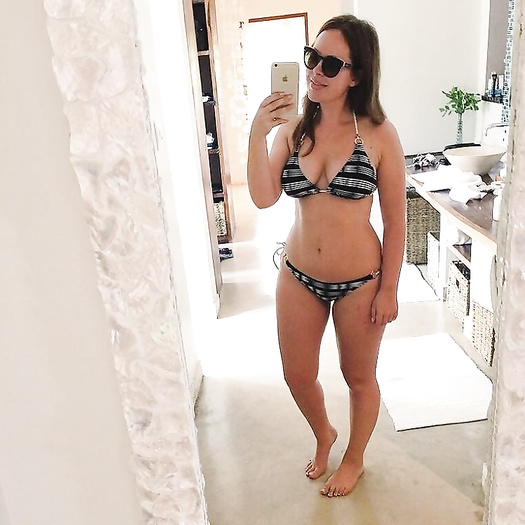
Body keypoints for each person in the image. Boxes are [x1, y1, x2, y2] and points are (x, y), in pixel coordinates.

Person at [247, 14, 406, 497]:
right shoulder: (293, 131)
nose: (316, 71)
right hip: (298, 274)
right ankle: (324, 434)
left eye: (331, 64)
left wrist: (389, 289)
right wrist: (257, 133)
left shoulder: (380, 134)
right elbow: (263, 197)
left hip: (361, 280)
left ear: (357, 75)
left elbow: (396, 220)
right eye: (312, 57)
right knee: (297, 375)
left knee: (358, 378)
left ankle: (354, 459)